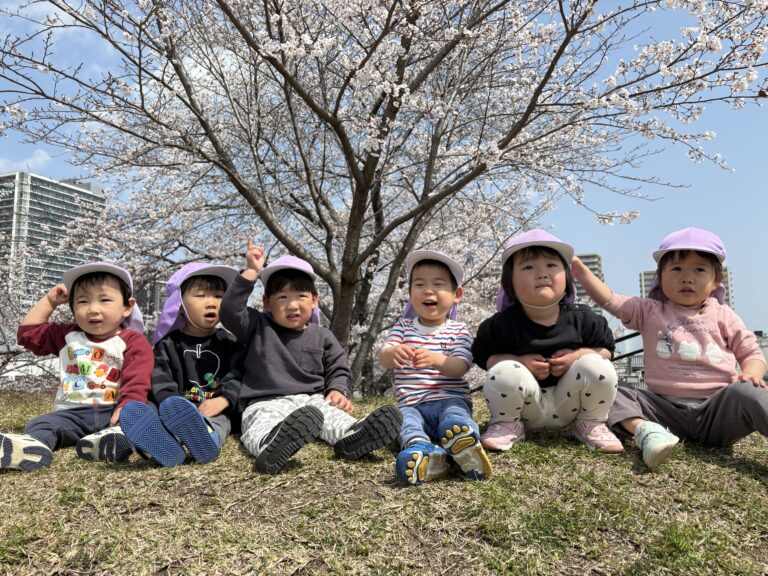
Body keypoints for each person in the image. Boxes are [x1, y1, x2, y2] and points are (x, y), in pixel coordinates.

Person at [572, 227, 768, 469]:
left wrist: (751, 373)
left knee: (751, 391)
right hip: (662, 412)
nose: (687, 278)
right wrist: (581, 272)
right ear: (660, 277)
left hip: (716, 411)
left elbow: (751, 352)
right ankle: (646, 431)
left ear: (716, 280)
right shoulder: (649, 310)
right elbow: (611, 300)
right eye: (676, 269)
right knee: (612, 387)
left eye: (699, 270)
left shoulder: (723, 314)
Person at [219, 237, 402, 474]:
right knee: (261, 424)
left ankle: (354, 436)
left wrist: (337, 390)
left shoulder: (322, 336)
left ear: (314, 301)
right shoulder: (256, 325)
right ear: (267, 303)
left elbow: (338, 368)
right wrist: (251, 271)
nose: (293, 305)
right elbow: (229, 311)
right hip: (264, 401)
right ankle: (270, 444)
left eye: (301, 297)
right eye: (282, 297)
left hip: (311, 402)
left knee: (330, 415)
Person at [472, 229, 623, 453]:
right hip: (525, 407)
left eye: (551, 265)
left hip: (571, 406)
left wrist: (577, 356)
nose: (542, 274)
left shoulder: (584, 319)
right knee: (504, 369)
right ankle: (506, 424)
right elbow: (485, 358)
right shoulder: (500, 325)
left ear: (567, 278)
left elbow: (606, 351)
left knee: (596, 363)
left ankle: (591, 424)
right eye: (528, 267)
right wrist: (520, 362)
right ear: (509, 282)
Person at [0, 262, 152, 471]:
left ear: (127, 307)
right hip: (71, 414)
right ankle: (32, 447)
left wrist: (127, 407)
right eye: (82, 301)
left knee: (143, 412)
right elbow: (27, 334)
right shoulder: (66, 335)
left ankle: (112, 441)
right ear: (72, 308)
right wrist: (49, 301)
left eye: (105, 300)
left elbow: (137, 379)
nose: (93, 309)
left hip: (114, 411)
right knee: (42, 424)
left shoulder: (133, 341)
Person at [381, 250, 492, 486]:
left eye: (438, 284)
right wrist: (392, 353)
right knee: (404, 421)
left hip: (449, 398)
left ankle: (463, 440)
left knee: (455, 417)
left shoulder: (458, 330)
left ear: (456, 294)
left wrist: (435, 359)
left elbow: (460, 367)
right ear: (410, 293)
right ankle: (422, 451)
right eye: (419, 284)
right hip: (411, 404)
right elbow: (384, 358)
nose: (428, 291)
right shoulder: (403, 327)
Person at [119, 263, 244, 467]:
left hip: (214, 408)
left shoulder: (229, 342)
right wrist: (172, 405)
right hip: (174, 410)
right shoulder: (168, 345)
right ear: (180, 306)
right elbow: (161, 379)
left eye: (219, 296)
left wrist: (224, 400)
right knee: (149, 408)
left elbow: (239, 374)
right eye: (201, 296)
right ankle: (165, 445)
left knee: (220, 420)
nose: (212, 303)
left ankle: (208, 440)